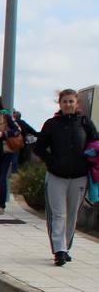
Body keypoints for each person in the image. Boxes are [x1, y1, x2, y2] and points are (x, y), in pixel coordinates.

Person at [34, 88, 99, 265]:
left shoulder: (85, 122)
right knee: (58, 214)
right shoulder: (51, 124)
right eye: (65, 101)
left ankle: (65, 246)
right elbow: (38, 147)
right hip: (56, 176)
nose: (68, 104)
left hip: (79, 176)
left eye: (71, 101)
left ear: (77, 103)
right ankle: (59, 250)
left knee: (71, 215)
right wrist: (51, 161)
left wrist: (89, 160)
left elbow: (96, 142)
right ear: (60, 104)